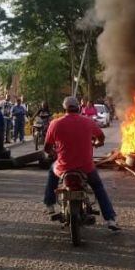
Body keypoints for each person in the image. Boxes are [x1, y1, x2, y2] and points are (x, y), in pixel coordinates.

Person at [44, 96, 119, 231]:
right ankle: (110, 219)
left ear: (65, 108)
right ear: (78, 107)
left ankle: (49, 205)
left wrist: (54, 154)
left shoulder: (55, 123)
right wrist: (98, 143)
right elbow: (101, 137)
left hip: (63, 167)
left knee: (51, 172)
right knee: (98, 188)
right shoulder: (88, 122)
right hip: (86, 167)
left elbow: (47, 148)